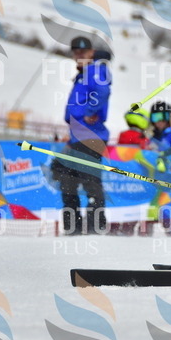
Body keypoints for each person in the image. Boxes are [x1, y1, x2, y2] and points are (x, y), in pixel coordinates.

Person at [51, 36, 110, 235]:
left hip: (90, 137)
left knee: (91, 182)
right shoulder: (83, 74)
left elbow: (102, 91)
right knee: (65, 176)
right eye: (76, 52)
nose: (79, 55)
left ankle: (95, 228)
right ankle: (73, 228)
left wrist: (91, 111)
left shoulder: (95, 70)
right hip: (77, 137)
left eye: (83, 52)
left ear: (91, 53)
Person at [143, 101, 171, 237]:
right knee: (151, 212)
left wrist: (164, 156)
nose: (160, 121)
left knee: (167, 210)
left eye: (164, 116)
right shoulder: (153, 137)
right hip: (156, 181)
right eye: (156, 117)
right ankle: (142, 242)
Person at [106, 108, 150, 236]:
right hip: (137, 179)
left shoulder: (121, 137)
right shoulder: (142, 139)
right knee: (134, 206)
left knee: (118, 204)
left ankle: (113, 230)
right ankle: (127, 231)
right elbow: (147, 158)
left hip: (119, 178)